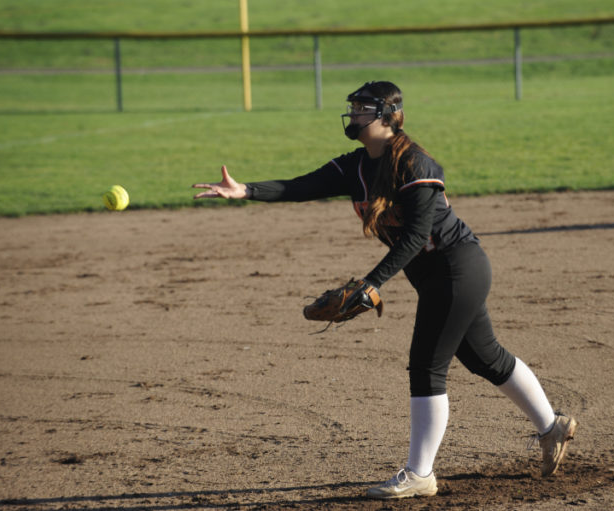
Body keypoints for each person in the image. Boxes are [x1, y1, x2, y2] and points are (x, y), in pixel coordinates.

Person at [193, 81, 578, 500]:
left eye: (361, 108)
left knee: (427, 367)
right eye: (353, 107)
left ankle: (419, 474)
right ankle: (552, 426)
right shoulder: (355, 167)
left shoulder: (416, 165)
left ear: (385, 115)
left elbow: (414, 238)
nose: (353, 114)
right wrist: (246, 190)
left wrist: (370, 284)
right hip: (437, 276)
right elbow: (301, 186)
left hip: (458, 268)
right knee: (485, 357)